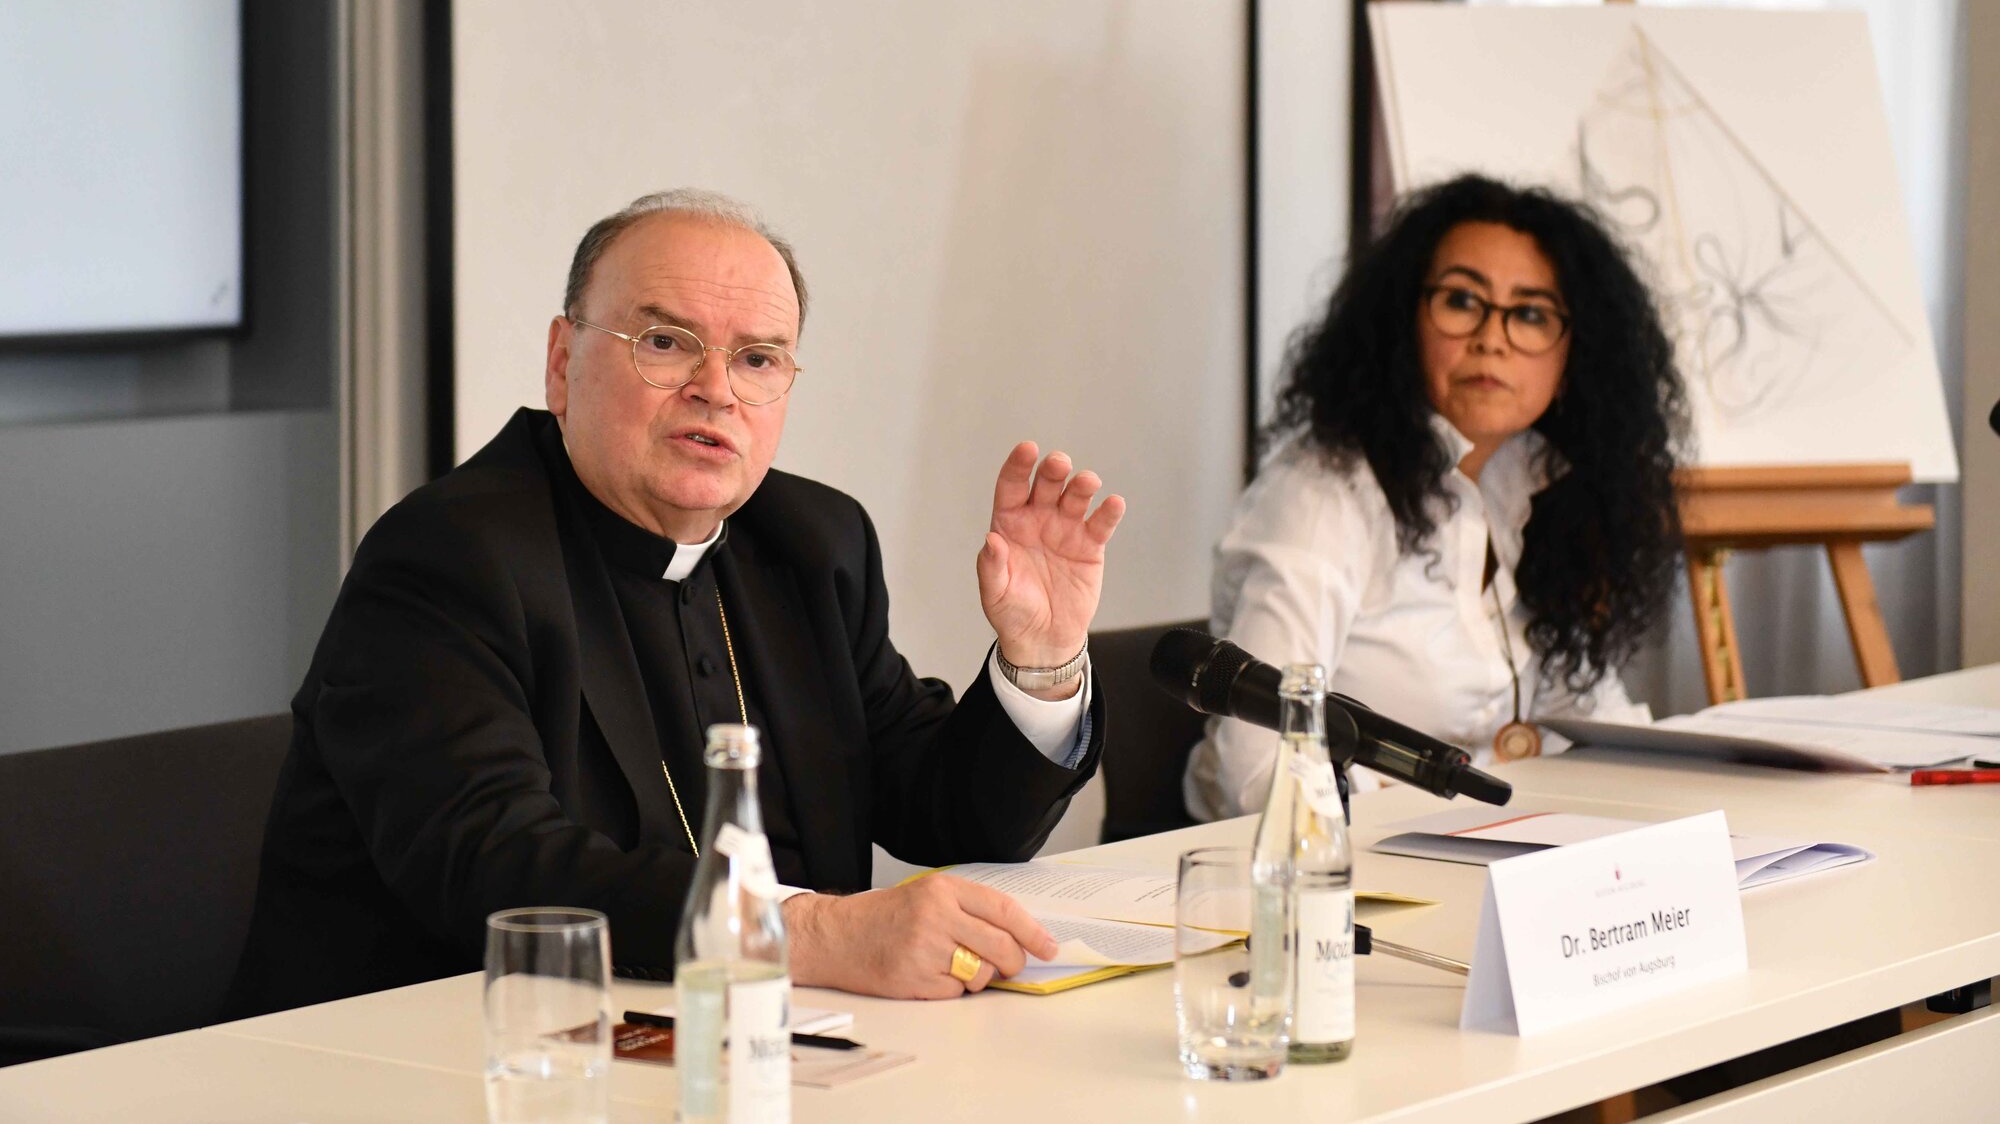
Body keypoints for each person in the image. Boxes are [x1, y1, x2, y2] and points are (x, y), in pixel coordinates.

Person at [228, 189, 1125, 1015]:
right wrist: (811, 933)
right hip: (444, 1060)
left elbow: (950, 812)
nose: (716, 388)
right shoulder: (448, 556)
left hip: (767, 1052)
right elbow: (493, 862)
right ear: (561, 362)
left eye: (758, 358)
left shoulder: (813, 543)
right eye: (664, 343)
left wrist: (1038, 659)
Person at [1185, 174, 1687, 819]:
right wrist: (1469, 787)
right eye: (1461, 301)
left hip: (1490, 857)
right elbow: (1257, 780)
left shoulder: (1546, 491)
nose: (1493, 336)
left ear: (1575, 358)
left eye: (1531, 314)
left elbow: (1592, 719)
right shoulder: (1322, 497)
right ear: (1402, 325)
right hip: (1325, 884)